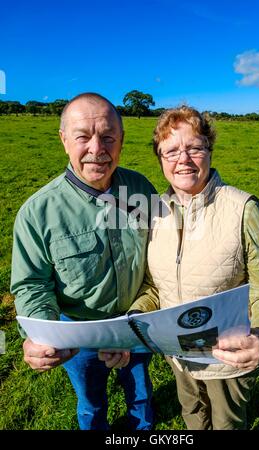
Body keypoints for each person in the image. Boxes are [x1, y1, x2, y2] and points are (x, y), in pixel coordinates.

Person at [100, 105, 259, 430]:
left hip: (226, 362)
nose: (183, 159)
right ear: (160, 159)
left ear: (210, 151)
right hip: (178, 357)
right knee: (192, 419)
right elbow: (153, 287)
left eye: (194, 148)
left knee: (227, 425)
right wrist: (130, 325)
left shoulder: (243, 209)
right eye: (170, 151)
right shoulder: (155, 212)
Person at [10, 92, 158, 431]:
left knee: (139, 391)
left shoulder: (141, 189)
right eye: (83, 136)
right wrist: (42, 332)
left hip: (137, 322)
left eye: (108, 137)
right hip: (78, 332)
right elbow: (32, 283)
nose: (97, 149)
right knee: (91, 402)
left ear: (121, 141)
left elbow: (160, 257)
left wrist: (137, 319)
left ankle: (141, 428)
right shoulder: (37, 212)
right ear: (64, 140)